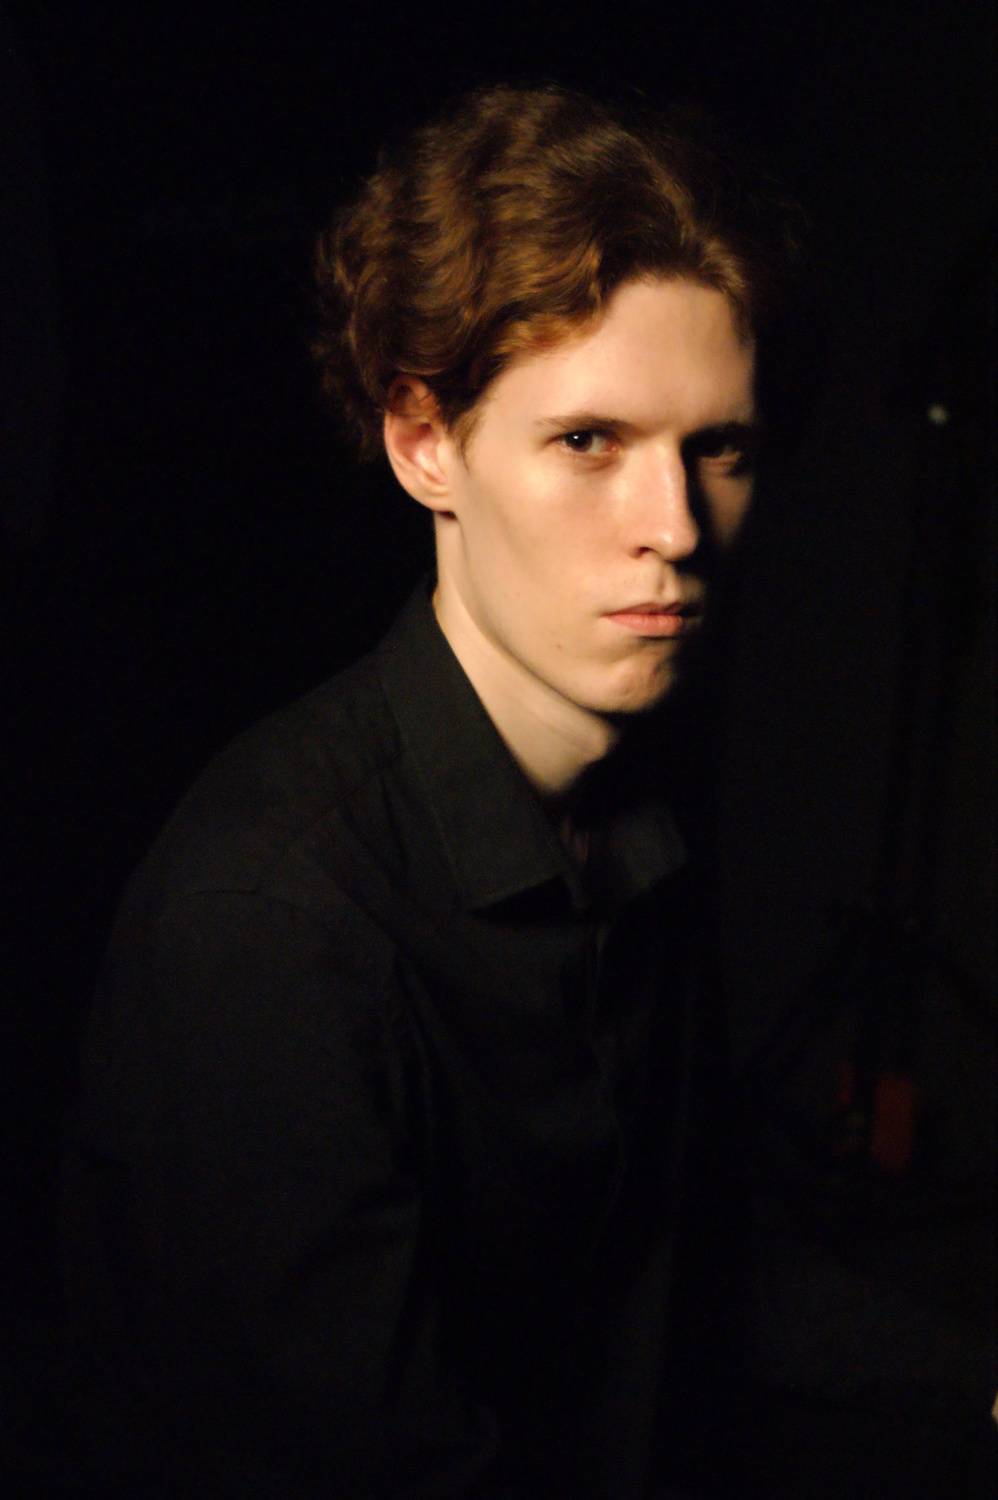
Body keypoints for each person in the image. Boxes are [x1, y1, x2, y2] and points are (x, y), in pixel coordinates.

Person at [61, 82, 801, 1498]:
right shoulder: (267, 918)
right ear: (424, 444)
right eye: (588, 441)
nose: (674, 528)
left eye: (718, 449)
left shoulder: (637, 816)